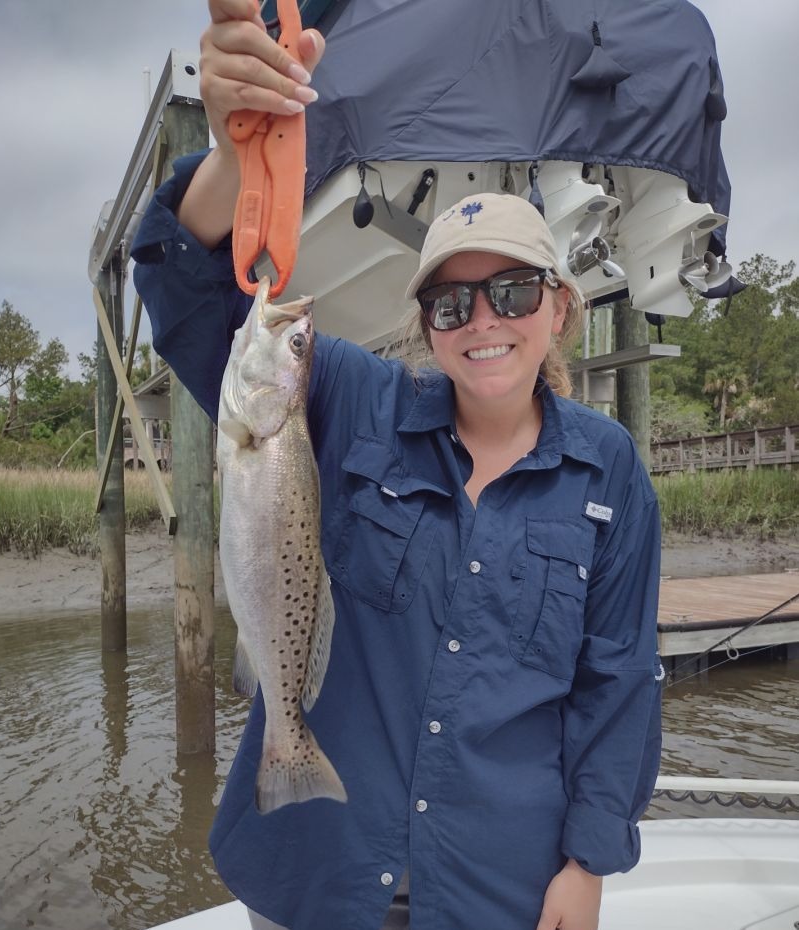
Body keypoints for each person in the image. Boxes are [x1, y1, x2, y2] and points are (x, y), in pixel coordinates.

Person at [132, 3, 663, 928]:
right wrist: (234, 158)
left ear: (559, 309)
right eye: (452, 303)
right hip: (320, 873)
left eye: (512, 292)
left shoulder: (608, 469)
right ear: (427, 326)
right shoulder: (348, 399)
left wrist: (589, 862)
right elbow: (188, 294)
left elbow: (617, 681)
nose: (483, 320)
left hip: (498, 891)